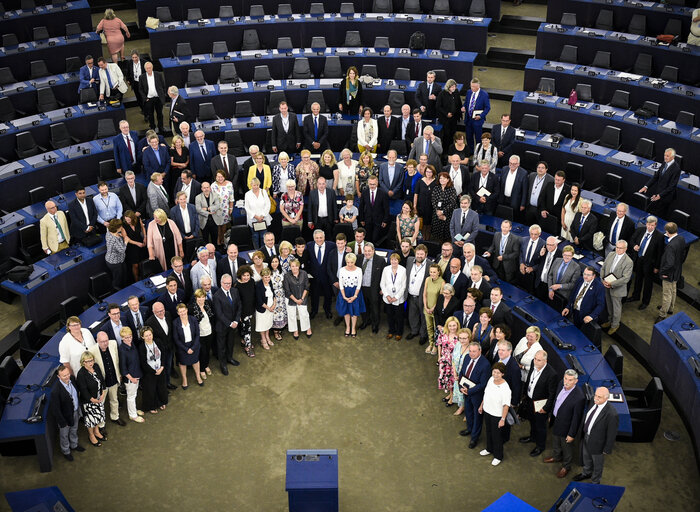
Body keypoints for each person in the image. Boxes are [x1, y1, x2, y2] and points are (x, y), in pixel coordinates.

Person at [573, 386, 619, 484]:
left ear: (606, 398)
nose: (596, 398)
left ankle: (595, 481)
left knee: (597, 464)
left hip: (598, 444)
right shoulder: (593, 402)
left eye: (600, 397)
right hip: (586, 436)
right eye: (596, 395)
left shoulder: (611, 414)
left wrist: (607, 449)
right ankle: (586, 473)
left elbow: (612, 434)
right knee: (586, 457)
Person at [545, 369, 586, 478]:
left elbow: (576, 418)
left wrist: (571, 434)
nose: (566, 382)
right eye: (565, 379)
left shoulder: (579, 397)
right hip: (556, 421)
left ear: (576, 381)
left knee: (567, 448)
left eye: (570, 380)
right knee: (555, 441)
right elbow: (555, 401)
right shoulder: (560, 384)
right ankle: (557, 456)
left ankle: (566, 466)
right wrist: (551, 416)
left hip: (566, 428)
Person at [519, 350, 558, 457]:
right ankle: (532, 437)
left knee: (540, 426)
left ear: (545, 361)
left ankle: (540, 446)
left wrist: (546, 408)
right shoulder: (533, 363)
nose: (536, 362)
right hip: (530, 401)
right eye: (535, 359)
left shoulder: (551, 374)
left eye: (539, 360)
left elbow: (552, 394)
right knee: (531, 420)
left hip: (541, 405)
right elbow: (529, 380)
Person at [478, 362, 511, 466]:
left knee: (497, 436)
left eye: (498, 373)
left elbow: (506, 405)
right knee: (488, 431)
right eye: (494, 372)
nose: (495, 374)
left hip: (497, 415)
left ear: (503, 374)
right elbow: (486, 394)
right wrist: (481, 405)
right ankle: (489, 449)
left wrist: (502, 419)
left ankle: (498, 456)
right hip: (487, 411)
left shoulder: (505, 388)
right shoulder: (490, 380)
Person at [459, 341, 491, 448]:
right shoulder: (467, 357)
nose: (472, 353)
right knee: (468, 412)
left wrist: (469, 391)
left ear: (480, 351)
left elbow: (483, 384)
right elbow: (462, 373)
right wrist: (461, 387)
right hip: (465, 391)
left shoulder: (485, 364)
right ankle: (469, 429)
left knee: (477, 416)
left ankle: (474, 437)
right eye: (470, 351)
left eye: (474, 351)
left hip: (477, 395)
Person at [50, 364, 85, 460]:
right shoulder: (55, 391)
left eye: (68, 374)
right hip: (65, 417)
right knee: (64, 435)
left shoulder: (72, 379)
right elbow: (56, 409)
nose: (67, 377)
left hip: (76, 411)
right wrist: (62, 422)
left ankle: (74, 445)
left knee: (74, 429)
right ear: (58, 377)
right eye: (64, 376)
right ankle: (66, 451)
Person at [628, 216, 664, 311]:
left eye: (652, 225)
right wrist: (634, 246)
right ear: (646, 223)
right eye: (648, 224)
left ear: (655, 225)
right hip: (639, 259)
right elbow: (631, 240)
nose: (650, 227)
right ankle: (635, 296)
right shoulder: (640, 230)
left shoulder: (659, 236)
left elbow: (660, 253)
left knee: (648, 284)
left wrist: (657, 266)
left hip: (650, 263)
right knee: (638, 278)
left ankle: (645, 302)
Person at [88, 331, 123, 427]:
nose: (105, 343)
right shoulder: (91, 351)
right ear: (97, 341)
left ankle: (115, 417)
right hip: (102, 383)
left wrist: (119, 374)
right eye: (102, 341)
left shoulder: (113, 344)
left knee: (114, 399)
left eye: (106, 340)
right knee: (101, 404)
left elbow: (117, 360)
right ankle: (101, 425)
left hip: (113, 379)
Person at [600, 241, 633, 335]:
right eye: (617, 247)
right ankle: (610, 321)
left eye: (621, 248)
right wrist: (603, 280)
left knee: (616, 308)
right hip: (606, 285)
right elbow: (603, 268)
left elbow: (626, 278)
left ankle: (615, 325)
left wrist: (612, 284)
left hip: (617, 288)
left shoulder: (628, 261)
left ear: (625, 249)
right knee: (609, 305)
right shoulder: (610, 254)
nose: (618, 249)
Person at [656, 222, 686, 323]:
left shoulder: (670, 246)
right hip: (677, 271)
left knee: (666, 295)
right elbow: (682, 256)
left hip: (669, 274)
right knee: (673, 290)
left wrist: (662, 272)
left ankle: (662, 314)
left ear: (667, 232)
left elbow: (669, 263)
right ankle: (670, 308)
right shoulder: (681, 239)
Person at [638, 148, 681, 217]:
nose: (665, 157)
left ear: (673, 157)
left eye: (667, 156)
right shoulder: (664, 163)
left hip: (666, 196)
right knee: (653, 211)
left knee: (660, 214)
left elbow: (671, 187)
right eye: (664, 155)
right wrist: (646, 186)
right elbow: (656, 176)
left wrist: (660, 195)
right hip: (658, 192)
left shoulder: (676, 169)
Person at [76, 352, 107, 446]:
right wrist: (92, 399)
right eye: (88, 361)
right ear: (83, 362)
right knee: (90, 420)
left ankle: (97, 432)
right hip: (88, 401)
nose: (90, 363)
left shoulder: (96, 367)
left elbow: (101, 379)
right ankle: (91, 435)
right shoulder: (81, 374)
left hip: (99, 397)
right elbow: (83, 389)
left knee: (97, 417)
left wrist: (103, 392)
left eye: (91, 360)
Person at [213, 273, 241, 374]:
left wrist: (236, 321)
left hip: (233, 324)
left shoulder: (235, 291)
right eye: (226, 283)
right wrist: (230, 323)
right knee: (221, 347)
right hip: (222, 326)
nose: (228, 285)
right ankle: (223, 364)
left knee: (230, 343)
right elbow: (219, 314)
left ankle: (230, 358)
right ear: (221, 283)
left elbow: (239, 306)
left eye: (229, 283)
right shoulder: (217, 295)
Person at [137, 326, 168, 414]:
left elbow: (164, 354)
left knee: (161, 387)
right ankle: (151, 406)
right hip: (149, 373)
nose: (149, 337)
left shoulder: (158, 342)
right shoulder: (142, 347)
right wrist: (154, 372)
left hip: (160, 369)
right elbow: (143, 363)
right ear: (142, 337)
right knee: (150, 390)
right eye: (146, 336)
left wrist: (162, 367)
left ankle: (162, 402)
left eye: (150, 335)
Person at [405, 245, 432, 345]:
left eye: (421, 254)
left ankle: (423, 334)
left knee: (424, 317)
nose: (419, 256)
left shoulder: (430, 264)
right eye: (418, 254)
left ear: (426, 254)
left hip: (423, 297)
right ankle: (414, 331)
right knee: (412, 315)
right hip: (411, 295)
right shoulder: (409, 260)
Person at [172, 303, 203, 389]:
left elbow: (197, 334)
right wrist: (186, 349)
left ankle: (198, 376)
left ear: (186, 310)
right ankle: (184, 380)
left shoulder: (193, 319)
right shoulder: (175, 323)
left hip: (194, 345)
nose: (182, 313)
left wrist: (193, 347)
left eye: (183, 311)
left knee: (196, 361)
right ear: (178, 313)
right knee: (183, 363)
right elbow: (176, 338)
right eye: (180, 312)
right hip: (182, 347)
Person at [117, 327, 144, 423]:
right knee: (131, 396)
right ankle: (132, 415)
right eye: (126, 338)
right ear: (122, 338)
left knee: (134, 394)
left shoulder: (132, 344)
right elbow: (123, 369)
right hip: (130, 378)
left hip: (136, 374)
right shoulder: (122, 350)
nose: (129, 339)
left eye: (130, 336)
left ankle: (134, 410)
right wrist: (132, 379)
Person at [357, 243, 385, 334]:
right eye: (365, 251)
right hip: (362, 288)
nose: (367, 253)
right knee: (363, 307)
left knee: (375, 308)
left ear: (373, 251)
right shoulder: (359, 258)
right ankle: (365, 321)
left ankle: (375, 324)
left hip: (374, 289)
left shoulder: (380, 260)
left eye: (369, 251)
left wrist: (382, 288)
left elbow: (384, 276)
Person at [307, 230, 335, 319]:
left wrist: (348, 248)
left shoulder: (331, 245)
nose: (319, 240)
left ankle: (327, 310)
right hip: (314, 277)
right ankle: (314, 310)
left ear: (324, 237)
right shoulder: (309, 246)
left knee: (328, 294)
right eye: (317, 238)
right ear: (314, 238)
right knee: (314, 295)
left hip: (327, 276)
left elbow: (340, 246)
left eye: (321, 237)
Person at [336, 252, 366, 337]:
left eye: (351, 262)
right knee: (346, 311)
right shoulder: (342, 270)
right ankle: (348, 327)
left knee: (354, 311)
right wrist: (344, 296)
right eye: (348, 262)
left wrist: (355, 296)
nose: (349, 264)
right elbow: (340, 284)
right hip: (344, 292)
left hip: (355, 293)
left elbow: (359, 284)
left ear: (354, 262)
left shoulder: (359, 270)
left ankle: (353, 328)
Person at [380, 253, 406, 340]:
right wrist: (387, 295)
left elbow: (404, 286)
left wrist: (396, 297)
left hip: (398, 298)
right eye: (392, 260)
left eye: (395, 260)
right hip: (388, 298)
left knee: (399, 316)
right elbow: (382, 284)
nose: (393, 261)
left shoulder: (403, 270)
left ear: (398, 261)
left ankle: (399, 332)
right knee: (389, 315)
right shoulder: (386, 269)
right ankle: (391, 331)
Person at [461, 78, 490, 152]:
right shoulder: (469, 92)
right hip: (468, 119)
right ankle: (471, 151)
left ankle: (478, 152)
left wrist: (481, 116)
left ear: (478, 86)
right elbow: (466, 102)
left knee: (478, 138)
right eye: (471, 86)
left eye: (474, 87)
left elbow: (487, 108)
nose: (472, 88)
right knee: (469, 137)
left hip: (478, 120)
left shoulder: (484, 95)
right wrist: (464, 107)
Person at [284, 259, 311, 339]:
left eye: (296, 266)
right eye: (292, 266)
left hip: (302, 297)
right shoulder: (287, 275)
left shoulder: (304, 273)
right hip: (291, 298)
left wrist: (302, 299)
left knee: (304, 314)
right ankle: (295, 330)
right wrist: (295, 300)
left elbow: (307, 287)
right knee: (292, 315)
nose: (295, 268)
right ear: (290, 267)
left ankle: (307, 328)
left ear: (299, 266)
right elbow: (287, 290)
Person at [358, 175, 390, 244]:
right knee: (368, 239)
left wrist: (385, 220)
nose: (372, 186)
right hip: (367, 220)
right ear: (368, 183)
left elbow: (386, 208)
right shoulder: (364, 192)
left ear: (377, 183)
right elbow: (361, 206)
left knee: (375, 239)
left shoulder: (383, 193)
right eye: (370, 184)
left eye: (374, 184)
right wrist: (362, 219)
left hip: (378, 220)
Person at [422, 264, 445, 355]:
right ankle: (430, 343)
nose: (432, 274)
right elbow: (424, 294)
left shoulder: (442, 282)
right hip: (427, 308)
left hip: (436, 309)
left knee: (436, 328)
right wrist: (426, 307)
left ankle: (436, 345)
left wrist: (432, 308)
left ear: (438, 272)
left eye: (434, 272)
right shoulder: (427, 279)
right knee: (429, 327)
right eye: (431, 272)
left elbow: (440, 298)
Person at [234, 266, 256, 357]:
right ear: (240, 276)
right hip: (243, 312)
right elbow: (237, 302)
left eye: (248, 275)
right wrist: (239, 315)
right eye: (244, 275)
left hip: (251, 309)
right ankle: (248, 347)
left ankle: (244, 341)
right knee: (247, 328)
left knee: (246, 328)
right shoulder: (237, 286)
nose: (246, 277)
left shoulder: (251, 281)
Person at [437, 316, 460, 400]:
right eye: (450, 325)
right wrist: (439, 357)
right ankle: (451, 394)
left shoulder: (459, 336)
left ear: (457, 325)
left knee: (453, 379)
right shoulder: (443, 332)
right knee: (446, 379)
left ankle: (452, 397)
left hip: (453, 362)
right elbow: (439, 344)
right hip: (444, 360)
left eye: (454, 325)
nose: (452, 328)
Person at [497, 155, 528, 219]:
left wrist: (523, 204)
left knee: (513, 218)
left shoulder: (523, 173)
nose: (512, 165)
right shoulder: (504, 169)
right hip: (503, 199)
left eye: (514, 164)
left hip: (515, 201)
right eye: (510, 163)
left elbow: (525, 191)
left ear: (518, 164)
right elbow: (500, 185)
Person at [244, 177, 271, 249]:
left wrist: (262, 216)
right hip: (253, 220)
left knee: (264, 237)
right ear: (251, 185)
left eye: (257, 185)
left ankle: (264, 252)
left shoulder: (263, 192)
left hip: (263, 219)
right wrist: (256, 217)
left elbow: (268, 204)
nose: (256, 187)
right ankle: (257, 252)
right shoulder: (247, 194)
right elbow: (247, 207)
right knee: (255, 237)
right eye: (254, 185)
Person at [139, 61, 166, 133]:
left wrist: (163, 95)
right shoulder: (142, 77)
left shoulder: (158, 74)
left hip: (158, 98)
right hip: (149, 99)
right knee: (150, 115)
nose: (149, 69)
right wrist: (145, 98)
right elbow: (140, 89)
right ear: (145, 69)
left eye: (150, 68)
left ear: (152, 67)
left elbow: (163, 86)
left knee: (160, 114)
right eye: (147, 68)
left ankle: (161, 127)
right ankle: (152, 128)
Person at [518, 224, 546, 293]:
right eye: (531, 234)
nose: (533, 236)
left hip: (533, 274)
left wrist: (532, 268)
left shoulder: (543, 244)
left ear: (539, 234)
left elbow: (543, 262)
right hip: (522, 270)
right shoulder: (523, 240)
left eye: (535, 234)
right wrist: (521, 263)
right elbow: (521, 253)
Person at [430, 172, 457, 242]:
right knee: (436, 235)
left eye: (444, 178)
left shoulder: (452, 189)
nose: (442, 180)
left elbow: (452, 203)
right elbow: (433, 200)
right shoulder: (436, 188)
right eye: (440, 178)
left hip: (448, 215)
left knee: (446, 235)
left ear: (448, 180)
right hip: (437, 214)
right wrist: (437, 211)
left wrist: (443, 212)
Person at [211, 170, 235, 246]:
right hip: (216, 210)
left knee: (224, 225)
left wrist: (231, 209)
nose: (220, 178)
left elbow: (231, 198)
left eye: (221, 176)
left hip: (226, 208)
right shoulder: (213, 186)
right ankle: (218, 240)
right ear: (216, 177)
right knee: (218, 226)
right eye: (218, 177)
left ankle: (223, 240)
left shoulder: (229, 184)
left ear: (224, 177)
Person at [413, 164, 436, 240]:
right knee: (421, 225)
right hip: (421, 207)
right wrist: (414, 206)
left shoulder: (436, 182)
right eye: (427, 172)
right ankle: (422, 240)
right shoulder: (420, 181)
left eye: (430, 172)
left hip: (431, 207)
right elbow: (416, 194)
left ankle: (428, 241)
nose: (428, 173)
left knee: (429, 226)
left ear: (433, 173)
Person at [436, 79, 462, 146]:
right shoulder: (442, 94)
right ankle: (445, 151)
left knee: (453, 134)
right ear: (448, 87)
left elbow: (459, 103)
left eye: (454, 87)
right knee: (446, 135)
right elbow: (438, 106)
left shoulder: (456, 92)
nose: (454, 88)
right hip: (445, 119)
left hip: (454, 117)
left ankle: (451, 148)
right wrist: (446, 113)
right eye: (452, 87)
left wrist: (461, 109)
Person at [255, 268, 276, 348]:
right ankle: (263, 339)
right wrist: (269, 308)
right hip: (263, 309)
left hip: (270, 308)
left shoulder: (270, 282)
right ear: (262, 276)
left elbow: (273, 294)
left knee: (268, 324)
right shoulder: (259, 286)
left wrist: (274, 304)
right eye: (265, 277)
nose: (267, 279)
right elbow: (259, 301)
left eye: (268, 277)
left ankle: (267, 337)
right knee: (262, 325)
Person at [268, 256, 288, 340]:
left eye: (276, 261)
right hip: (273, 295)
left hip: (282, 295)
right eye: (272, 262)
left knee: (282, 312)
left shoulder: (282, 271)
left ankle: (281, 327)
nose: (274, 263)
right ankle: (275, 331)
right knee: (275, 314)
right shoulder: (268, 272)